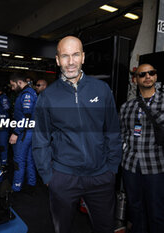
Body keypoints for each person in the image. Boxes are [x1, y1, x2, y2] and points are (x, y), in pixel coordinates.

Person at [32, 36, 122, 233]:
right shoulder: (48, 96)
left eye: (75, 55)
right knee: (61, 228)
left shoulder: (102, 89)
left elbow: (113, 131)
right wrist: (49, 176)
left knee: (105, 228)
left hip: (101, 176)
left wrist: (112, 168)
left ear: (83, 57)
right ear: (57, 60)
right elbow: (41, 139)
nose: (70, 62)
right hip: (64, 177)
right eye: (65, 56)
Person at [120, 63, 164, 233]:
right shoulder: (127, 107)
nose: (147, 76)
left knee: (157, 212)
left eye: (151, 73)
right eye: (142, 74)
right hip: (130, 166)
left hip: (156, 167)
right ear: (135, 79)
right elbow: (121, 134)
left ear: (156, 77)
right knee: (135, 210)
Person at [9, 73, 37, 192]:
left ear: (19, 82)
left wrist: (16, 132)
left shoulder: (27, 95)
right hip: (30, 131)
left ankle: (16, 186)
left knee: (18, 160)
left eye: (13, 85)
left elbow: (26, 116)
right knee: (29, 159)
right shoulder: (28, 92)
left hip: (24, 132)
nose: (12, 88)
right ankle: (31, 183)